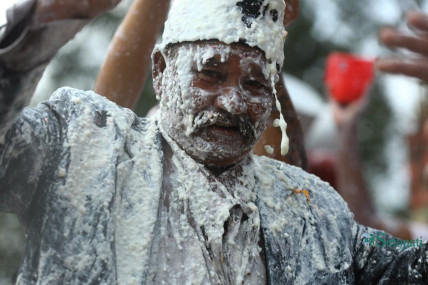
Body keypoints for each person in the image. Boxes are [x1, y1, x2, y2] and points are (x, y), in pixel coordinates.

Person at [1, 1, 428, 284]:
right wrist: (32, 34)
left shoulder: (315, 214)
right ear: (161, 71)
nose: (233, 101)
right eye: (210, 73)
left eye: (256, 83)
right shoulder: (85, 146)